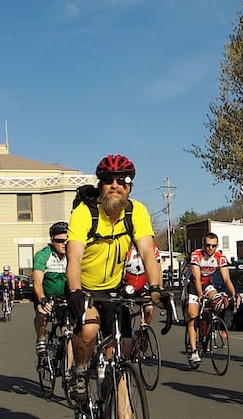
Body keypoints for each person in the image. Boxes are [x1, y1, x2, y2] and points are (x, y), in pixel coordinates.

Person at [65, 154, 168, 405]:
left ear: (129, 186)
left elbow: (147, 252)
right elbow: (74, 258)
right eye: (108, 180)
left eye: (122, 180)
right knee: (88, 331)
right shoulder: (84, 213)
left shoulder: (136, 212)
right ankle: (79, 371)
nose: (115, 184)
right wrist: (76, 291)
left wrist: (156, 289)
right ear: (100, 185)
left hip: (114, 288)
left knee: (123, 350)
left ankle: (117, 400)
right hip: (86, 288)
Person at [185, 232, 240, 366]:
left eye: (213, 246)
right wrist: (200, 296)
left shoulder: (219, 257)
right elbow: (197, 279)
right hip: (193, 284)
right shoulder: (196, 255)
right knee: (192, 315)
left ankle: (208, 327)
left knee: (218, 300)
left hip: (207, 284)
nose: (210, 248)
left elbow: (226, 279)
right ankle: (193, 351)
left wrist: (234, 294)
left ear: (217, 246)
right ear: (203, 245)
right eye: (208, 245)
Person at [33, 221, 69, 357]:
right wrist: (42, 299)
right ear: (52, 240)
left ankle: (69, 372)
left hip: (64, 296)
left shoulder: (72, 255)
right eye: (60, 241)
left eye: (67, 240)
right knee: (41, 313)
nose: (64, 243)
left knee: (68, 331)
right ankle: (41, 339)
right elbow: (37, 281)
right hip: (46, 294)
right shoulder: (43, 255)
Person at [122, 239, 162, 327]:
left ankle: (144, 328)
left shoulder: (152, 247)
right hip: (128, 284)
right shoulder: (125, 245)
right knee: (121, 309)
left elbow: (158, 268)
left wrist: (159, 287)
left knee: (149, 309)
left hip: (143, 284)